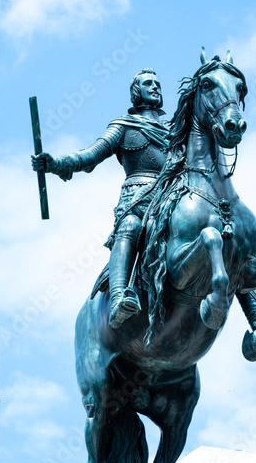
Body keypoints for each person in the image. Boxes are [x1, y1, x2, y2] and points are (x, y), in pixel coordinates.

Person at [32, 68, 170, 328]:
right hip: (138, 196)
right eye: (148, 83)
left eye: (157, 83)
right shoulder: (123, 126)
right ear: (136, 92)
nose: (155, 87)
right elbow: (90, 156)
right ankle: (118, 299)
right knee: (129, 227)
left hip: (173, 194)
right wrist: (56, 163)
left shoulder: (175, 128)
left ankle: (250, 304)